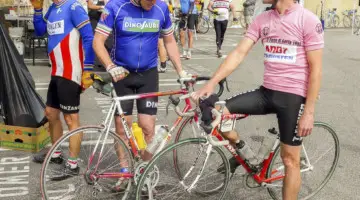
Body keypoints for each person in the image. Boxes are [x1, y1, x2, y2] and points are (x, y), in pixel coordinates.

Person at [192, 0, 324, 199]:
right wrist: (212, 83)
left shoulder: (307, 20)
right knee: (216, 115)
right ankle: (243, 152)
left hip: (293, 97)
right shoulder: (263, 19)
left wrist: (309, 111)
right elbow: (239, 53)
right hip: (266, 92)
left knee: (290, 160)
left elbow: (316, 70)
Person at [93, 0, 190, 172]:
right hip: (122, 74)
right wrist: (110, 66)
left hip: (148, 74)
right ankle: (124, 171)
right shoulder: (116, 6)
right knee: (122, 129)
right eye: (148, 0)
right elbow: (98, 41)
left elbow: (169, 41)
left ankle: (144, 171)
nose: (152, 3)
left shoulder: (161, 8)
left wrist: (181, 72)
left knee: (148, 127)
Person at [30, 0, 95, 180]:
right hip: (56, 72)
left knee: (71, 118)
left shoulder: (74, 7)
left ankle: (73, 165)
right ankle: (56, 154)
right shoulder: (52, 8)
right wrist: (36, 10)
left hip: (71, 72)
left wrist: (88, 69)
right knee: (51, 113)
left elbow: (89, 37)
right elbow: (40, 31)